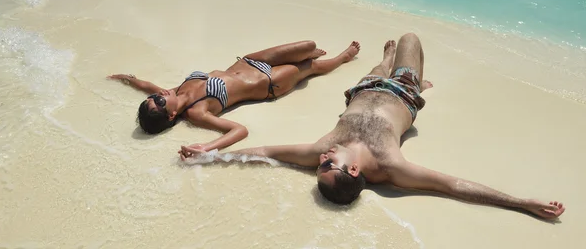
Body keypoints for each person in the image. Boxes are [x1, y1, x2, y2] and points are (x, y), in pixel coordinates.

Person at [179, 33, 565, 220]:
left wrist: (208, 155)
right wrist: (521, 203)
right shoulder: (389, 165)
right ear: (353, 171)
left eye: (321, 166)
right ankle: (415, 77)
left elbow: (261, 152)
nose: (321, 160)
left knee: (378, 68)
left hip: (361, 90)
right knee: (411, 39)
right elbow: (454, 186)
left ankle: (383, 60)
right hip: (403, 92)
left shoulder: (324, 151)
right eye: (326, 167)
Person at [108, 40, 361, 153]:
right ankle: (342, 58)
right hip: (270, 83)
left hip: (251, 61)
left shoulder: (175, 92)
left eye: (154, 96)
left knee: (307, 45)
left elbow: (146, 84)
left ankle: (306, 56)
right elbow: (238, 130)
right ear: (171, 114)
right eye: (159, 101)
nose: (159, 94)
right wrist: (206, 148)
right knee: (312, 67)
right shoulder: (196, 113)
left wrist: (126, 78)